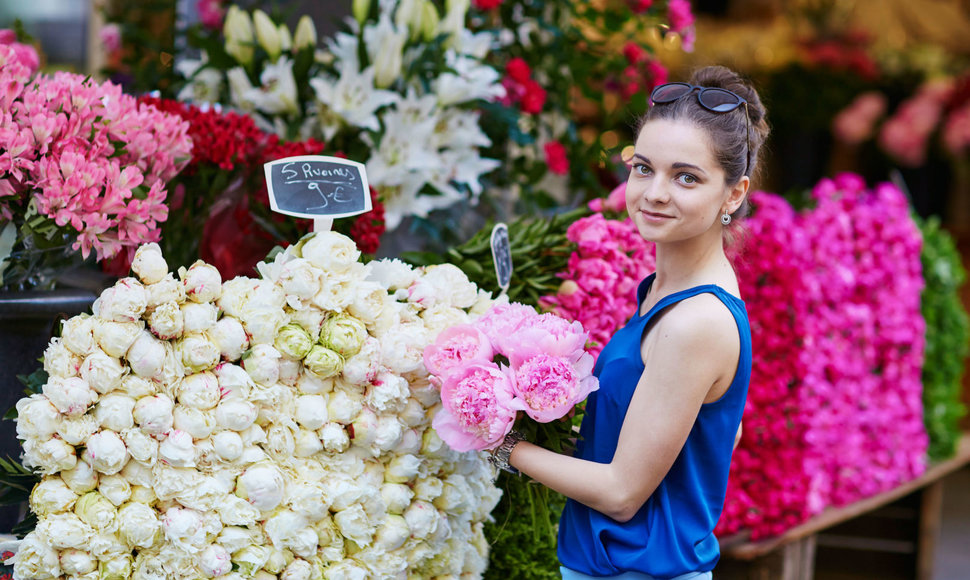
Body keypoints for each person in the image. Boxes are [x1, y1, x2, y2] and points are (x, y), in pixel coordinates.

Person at [488, 65, 770, 579]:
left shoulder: (696, 321)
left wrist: (500, 443)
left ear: (733, 193)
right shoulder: (667, 291)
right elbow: (720, 433)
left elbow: (621, 494)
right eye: (644, 168)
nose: (655, 192)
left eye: (687, 177)